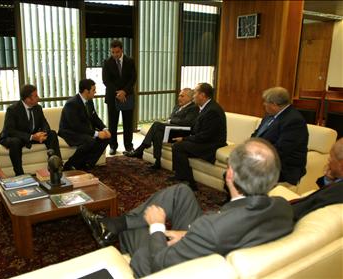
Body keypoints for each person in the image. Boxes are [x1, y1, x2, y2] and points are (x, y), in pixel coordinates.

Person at [81, 138, 294, 277]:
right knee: (182, 192)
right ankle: (114, 225)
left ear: (230, 175)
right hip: (212, 238)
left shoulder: (210, 229)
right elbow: (227, 230)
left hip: (175, 266)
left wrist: (157, 226)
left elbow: (159, 263)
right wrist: (187, 234)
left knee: (137, 230)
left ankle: (117, 229)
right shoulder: (283, 207)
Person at [170, 83, 227, 190]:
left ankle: (189, 182)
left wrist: (185, 138)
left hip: (211, 145)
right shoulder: (204, 107)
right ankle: (180, 175)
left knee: (179, 147)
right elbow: (196, 129)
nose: (193, 96)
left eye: (195, 92)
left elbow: (205, 136)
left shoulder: (212, 110)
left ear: (202, 95)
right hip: (204, 140)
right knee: (178, 144)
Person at [125, 88, 199, 170]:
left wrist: (171, 121)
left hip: (180, 132)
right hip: (170, 129)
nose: (179, 98)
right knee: (157, 133)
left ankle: (141, 148)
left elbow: (186, 122)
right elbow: (171, 118)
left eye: (182, 96)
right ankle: (157, 162)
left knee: (157, 124)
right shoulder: (177, 106)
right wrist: (172, 121)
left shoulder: (193, 108)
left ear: (189, 97)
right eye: (179, 96)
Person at [0, 84, 61, 176]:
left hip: (32, 136)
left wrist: (42, 134)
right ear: (28, 99)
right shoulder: (13, 109)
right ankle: (19, 174)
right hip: (15, 136)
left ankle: (55, 166)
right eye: (35, 96)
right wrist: (31, 137)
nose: (38, 98)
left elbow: (44, 124)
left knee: (52, 134)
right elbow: (10, 130)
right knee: (15, 142)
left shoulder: (37, 108)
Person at [251, 86, 308, 186]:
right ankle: (235, 200)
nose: (264, 104)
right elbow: (256, 134)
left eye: (265, 102)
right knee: (232, 172)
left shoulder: (294, 120)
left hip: (282, 166)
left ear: (274, 104)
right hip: (264, 158)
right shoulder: (269, 115)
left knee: (242, 176)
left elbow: (281, 150)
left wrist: (256, 158)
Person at [58, 79, 111, 170]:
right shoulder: (72, 104)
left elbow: (95, 118)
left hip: (82, 131)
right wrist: (97, 134)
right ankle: (69, 165)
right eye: (93, 90)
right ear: (87, 91)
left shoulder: (89, 101)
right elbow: (76, 126)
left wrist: (105, 129)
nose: (95, 92)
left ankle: (88, 164)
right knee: (89, 140)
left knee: (107, 138)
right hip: (69, 132)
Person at [291, 138, 343, 220]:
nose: (328, 160)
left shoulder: (336, 192)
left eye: (332, 157)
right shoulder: (338, 182)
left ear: (341, 164)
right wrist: (328, 179)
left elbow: (301, 210)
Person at [102, 39, 137, 155]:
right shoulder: (107, 62)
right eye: (112, 52)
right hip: (113, 97)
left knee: (128, 123)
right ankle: (113, 146)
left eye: (117, 52)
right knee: (113, 123)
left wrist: (124, 92)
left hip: (127, 96)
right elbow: (106, 81)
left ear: (121, 50)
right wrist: (118, 93)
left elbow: (133, 78)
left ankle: (128, 146)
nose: (115, 55)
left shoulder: (130, 61)